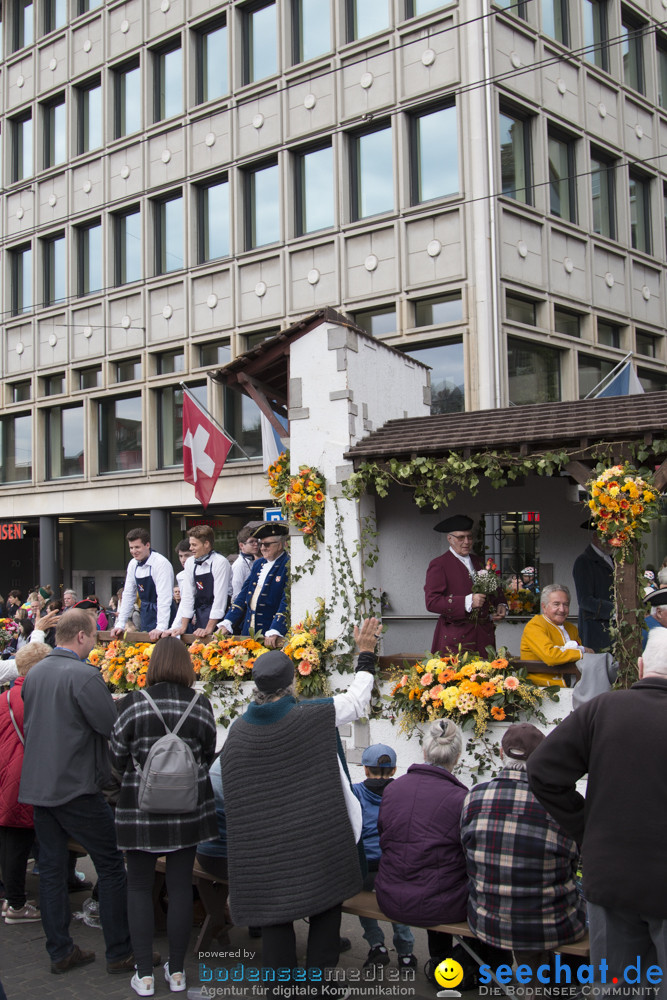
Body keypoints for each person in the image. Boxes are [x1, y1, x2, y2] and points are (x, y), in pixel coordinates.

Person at [220, 618, 380, 996]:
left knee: (274, 910)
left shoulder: (237, 733)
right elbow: (357, 701)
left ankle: (280, 986)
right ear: (291, 682)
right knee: (326, 900)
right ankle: (318, 981)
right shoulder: (311, 716)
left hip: (266, 847)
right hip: (312, 840)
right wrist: (366, 653)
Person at [527, 627, 667, 993]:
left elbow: (541, 770)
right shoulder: (603, 709)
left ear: (639, 667)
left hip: (610, 878)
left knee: (614, 988)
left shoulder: (603, 708)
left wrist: (586, 827)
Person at [19, 609, 137, 976]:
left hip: (40, 785)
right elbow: (111, 728)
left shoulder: (35, 673)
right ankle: (120, 952)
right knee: (112, 865)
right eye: (93, 638)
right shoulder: (84, 676)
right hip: (76, 787)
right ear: (82, 637)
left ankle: (61, 951)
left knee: (52, 871)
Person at [110, 637, 217, 997]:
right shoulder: (200, 705)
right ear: (186, 665)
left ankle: (143, 974)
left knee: (138, 887)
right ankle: (177, 973)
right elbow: (207, 753)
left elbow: (115, 756)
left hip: (139, 809)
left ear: (153, 665)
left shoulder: (133, 703)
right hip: (187, 810)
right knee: (180, 887)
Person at [374, 718, 509, 987]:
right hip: (439, 905)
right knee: (467, 887)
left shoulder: (393, 789)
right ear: (457, 757)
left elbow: (384, 837)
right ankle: (482, 967)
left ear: (424, 752)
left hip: (390, 896)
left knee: (438, 877)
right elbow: (472, 856)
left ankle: (442, 960)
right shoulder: (462, 798)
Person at [460, 724, 586, 988]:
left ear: (500, 752)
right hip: (551, 924)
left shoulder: (475, 796)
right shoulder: (562, 802)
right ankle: (549, 987)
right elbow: (575, 860)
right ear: (543, 756)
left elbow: (467, 851)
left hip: (487, 919)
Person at [0, 642, 52, 925]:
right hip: (23, 776)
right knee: (19, 844)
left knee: (8, 841)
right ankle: (17, 905)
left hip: (4, 775)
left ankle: (11, 899)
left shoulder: (6, 696)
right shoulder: (33, 697)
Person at [352, 744, 416, 971]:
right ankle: (406, 953)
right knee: (399, 907)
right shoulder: (404, 792)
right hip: (394, 863)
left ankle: (376, 944)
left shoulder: (355, 792)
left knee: (361, 901)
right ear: (395, 769)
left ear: (365, 769)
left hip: (366, 863)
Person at [424, 514, 506, 657]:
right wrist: (467, 601)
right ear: (449, 539)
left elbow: (494, 589)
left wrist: (501, 604)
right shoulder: (439, 564)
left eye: (469, 537)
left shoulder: (479, 561)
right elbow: (432, 602)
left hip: (484, 637)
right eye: (461, 537)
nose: (467, 542)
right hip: (456, 639)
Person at [218, 523, 289, 647]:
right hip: (249, 631)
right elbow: (243, 595)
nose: (262, 548)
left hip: (271, 635)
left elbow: (287, 601)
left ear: (280, 545)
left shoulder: (288, 564)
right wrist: (228, 621)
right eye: (261, 544)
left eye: (267, 544)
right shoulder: (258, 564)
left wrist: (276, 629)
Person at [520, 584, 592, 686]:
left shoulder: (571, 628)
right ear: (544, 607)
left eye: (565, 604)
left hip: (574, 685)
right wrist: (582, 651)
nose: (562, 609)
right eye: (556, 604)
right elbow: (551, 656)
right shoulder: (535, 625)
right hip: (544, 688)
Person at [169, 525, 231, 640]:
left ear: (206, 544)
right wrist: (183, 626)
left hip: (220, 618)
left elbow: (220, 600)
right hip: (200, 613)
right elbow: (188, 596)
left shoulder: (220, 562)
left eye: (194, 545)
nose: (191, 548)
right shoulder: (190, 563)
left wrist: (208, 629)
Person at [112, 528, 174, 641]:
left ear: (147, 545)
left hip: (164, 613)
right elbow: (128, 595)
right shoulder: (132, 564)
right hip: (145, 613)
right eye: (131, 548)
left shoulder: (161, 563)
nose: (133, 551)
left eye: (137, 547)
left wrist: (161, 626)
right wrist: (120, 624)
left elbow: (164, 597)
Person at [572, 528, 614, 652]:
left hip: (610, 628)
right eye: (607, 536)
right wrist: (614, 611)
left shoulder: (611, 558)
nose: (611, 541)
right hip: (596, 630)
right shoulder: (584, 561)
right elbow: (585, 600)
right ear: (595, 537)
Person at [230, 524, 261, 601]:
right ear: (241, 545)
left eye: (257, 541)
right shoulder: (239, 565)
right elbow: (236, 594)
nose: (256, 544)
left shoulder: (254, 561)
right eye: (251, 542)